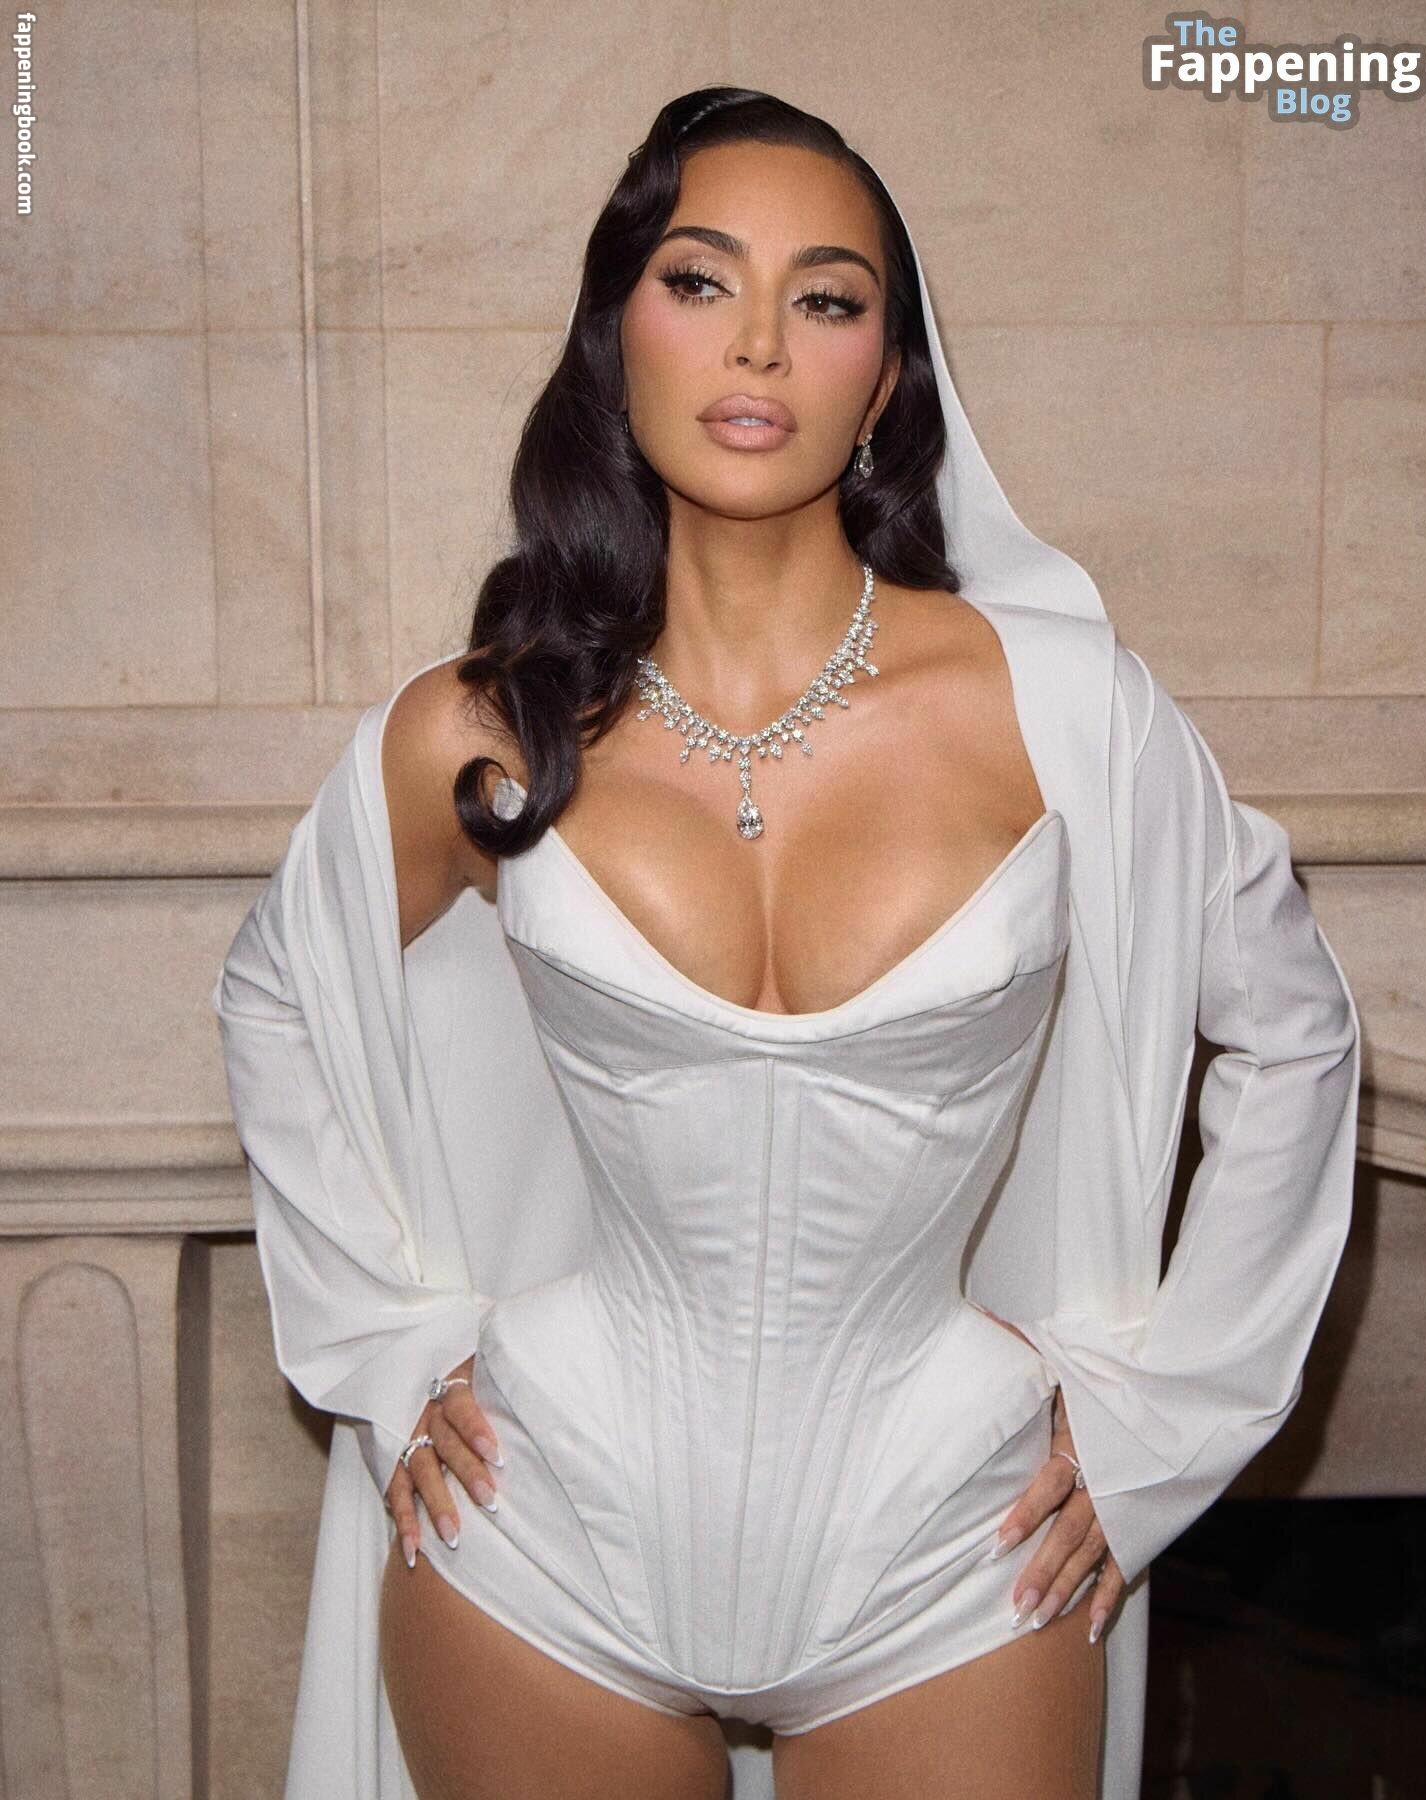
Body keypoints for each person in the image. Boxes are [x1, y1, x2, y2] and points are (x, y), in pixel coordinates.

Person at [212, 87, 1361, 1800]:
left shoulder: (1064, 709)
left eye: (825, 299)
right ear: (617, 332)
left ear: (885, 379)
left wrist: (1165, 1422)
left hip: (952, 1563)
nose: (758, 343)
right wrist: (383, 1346)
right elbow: (274, 992)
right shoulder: (489, 725)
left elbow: (1296, 1036)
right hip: (538, 1545)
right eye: (700, 282)